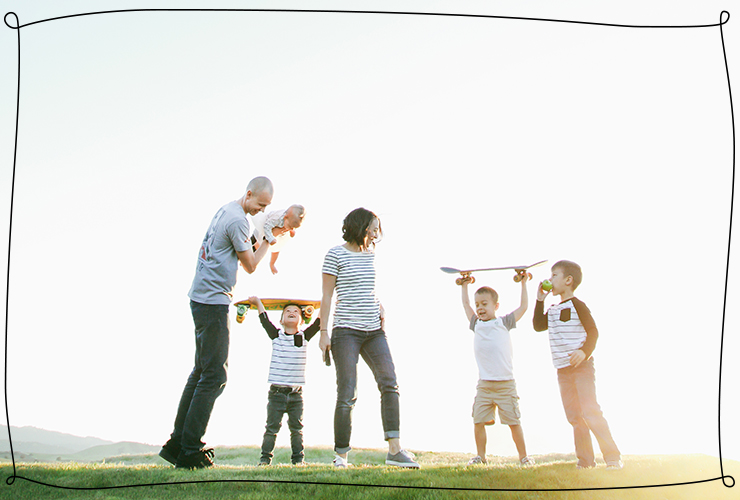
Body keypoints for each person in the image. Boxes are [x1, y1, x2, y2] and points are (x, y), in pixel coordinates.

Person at [159, 177, 274, 469]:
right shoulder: (239, 221)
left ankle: (177, 444)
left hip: (200, 297)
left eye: (266, 208)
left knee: (201, 372)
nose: (261, 211)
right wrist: (269, 241)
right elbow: (250, 264)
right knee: (215, 375)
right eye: (260, 205)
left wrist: (265, 233)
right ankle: (189, 449)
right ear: (249, 194)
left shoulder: (227, 210)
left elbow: (242, 246)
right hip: (213, 301)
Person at [319, 208, 419, 469]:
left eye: (377, 229)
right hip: (345, 331)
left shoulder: (371, 255)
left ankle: (395, 450)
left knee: (390, 383)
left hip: (374, 331)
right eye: (373, 228)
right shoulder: (335, 255)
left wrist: (379, 305)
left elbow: (367, 288)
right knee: (347, 392)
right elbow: (327, 297)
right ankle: (341, 456)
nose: (376, 234)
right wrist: (323, 332)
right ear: (361, 227)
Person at [532, 260, 623, 470]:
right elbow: (538, 326)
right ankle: (585, 461)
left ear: (568, 280)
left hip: (582, 368)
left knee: (590, 411)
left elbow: (593, 332)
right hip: (562, 371)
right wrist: (539, 300)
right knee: (574, 416)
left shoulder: (578, 305)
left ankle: (612, 457)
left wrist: (584, 351)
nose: (550, 279)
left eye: (554, 275)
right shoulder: (553, 310)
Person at [460, 275, 534, 466]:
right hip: (484, 385)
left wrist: (524, 282)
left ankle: (524, 457)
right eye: (478, 305)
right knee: (478, 421)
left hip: (505, 385)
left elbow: (523, 307)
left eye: (484, 303)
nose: (480, 308)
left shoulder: (504, 322)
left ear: (496, 306)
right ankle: (481, 457)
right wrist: (465, 285)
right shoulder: (476, 324)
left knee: (514, 423)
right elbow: (466, 304)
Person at [248, 296, 321, 466]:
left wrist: (325, 301)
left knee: (297, 429)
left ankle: (298, 460)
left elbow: (319, 322)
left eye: (296, 311)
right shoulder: (276, 336)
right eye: (287, 311)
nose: (291, 312)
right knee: (271, 428)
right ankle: (265, 459)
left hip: (296, 395)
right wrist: (258, 303)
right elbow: (264, 320)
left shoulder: (303, 337)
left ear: (302, 320)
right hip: (276, 394)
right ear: (281, 320)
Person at [250, 205, 306, 274]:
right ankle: (248, 258)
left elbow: (291, 226)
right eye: (291, 227)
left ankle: (272, 264)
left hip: (280, 233)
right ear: (285, 217)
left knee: (277, 249)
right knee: (258, 244)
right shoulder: (276, 218)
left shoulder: (290, 219)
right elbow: (266, 227)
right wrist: (270, 238)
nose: (291, 228)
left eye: (294, 228)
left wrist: (291, 231)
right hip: (267, 228)